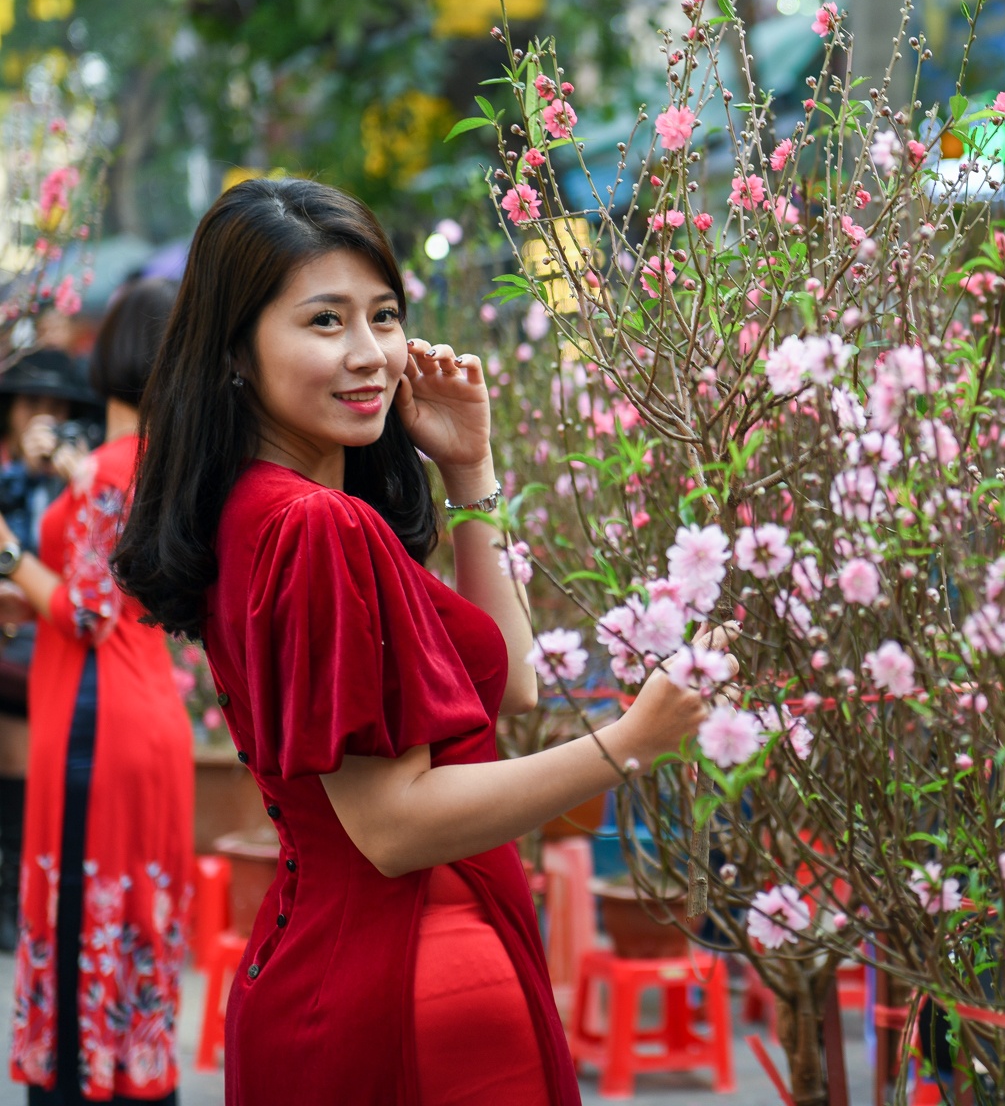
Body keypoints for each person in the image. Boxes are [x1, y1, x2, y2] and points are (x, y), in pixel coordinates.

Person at [110, 179, 711, 1106]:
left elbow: (505, 689)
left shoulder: (276, 515)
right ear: (238, 350)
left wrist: (470, 469)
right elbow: (392, 827)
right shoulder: (315, 527)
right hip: (402, 994)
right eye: (323, 321)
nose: (370, 355)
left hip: (350, 968)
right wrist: (626, 746)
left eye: (383, 316)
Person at [1, 281, 193, 1103]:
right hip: (143, 708)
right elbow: (107, 600)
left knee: (84, 907)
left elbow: (82, 611)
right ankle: (135, 1068)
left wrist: (8, 555)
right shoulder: (164, 467)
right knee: (133, 909)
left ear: (110, 354)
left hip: (95, 720)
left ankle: (85, 1081)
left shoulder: (110, 472)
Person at [0, 350, 102, 956]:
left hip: (48, 646)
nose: (47, 417)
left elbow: (87, 582)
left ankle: (14, 894)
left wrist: (70, 478)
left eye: (59, 408)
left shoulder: (80, 480)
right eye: (34, 404)